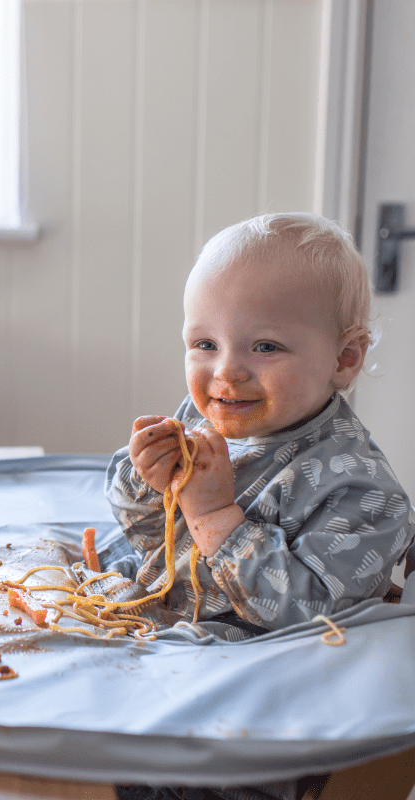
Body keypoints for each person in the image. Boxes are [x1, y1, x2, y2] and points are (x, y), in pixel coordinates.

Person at [104, 212, 415, 800]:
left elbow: (307, 612)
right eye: (204, 344)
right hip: (163, 657)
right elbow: (149, 541)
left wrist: (216, 516)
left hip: (251, 723)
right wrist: (148, 484)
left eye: (265, 346)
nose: (226, 372)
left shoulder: (362, 493)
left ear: (344, 359)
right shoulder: (214, 414)